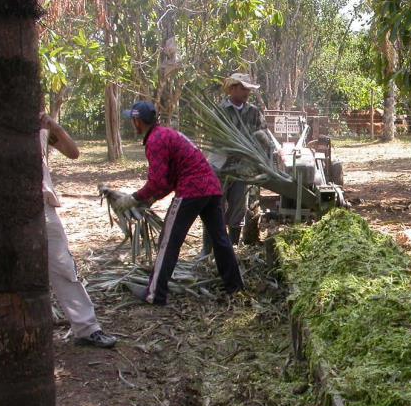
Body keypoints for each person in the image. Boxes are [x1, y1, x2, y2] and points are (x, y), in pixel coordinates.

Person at [117, 101, 244, 305]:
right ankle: (235, 287)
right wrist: (151, 198)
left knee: (169, 241)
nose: (133, 124)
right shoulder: (166, 134)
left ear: (138, 121)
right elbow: (168, 180)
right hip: (211, 187)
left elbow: (157, 181)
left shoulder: (155, 141)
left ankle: (155, 293)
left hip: (192, 190)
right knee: (220, 239)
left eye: (133, 120)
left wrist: (135, 197)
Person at [40, 112, 118, 348]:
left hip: (42, 205)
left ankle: (86, 328)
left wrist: (54, 127)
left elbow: (73, 153)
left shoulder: (38, 127)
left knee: (63, 266)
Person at [203, 73, 271, 253]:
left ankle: (232, 249)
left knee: (238, 208)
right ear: (232, 88)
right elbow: (214, 138)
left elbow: (263, 135)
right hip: (220, 166)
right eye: (243, 88)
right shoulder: (219, 111)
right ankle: (207, 250)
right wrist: (236, 145)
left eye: (248, 89)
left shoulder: (254, 112)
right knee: (214, 207)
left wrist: (265, 153)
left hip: (242, 169)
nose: (247, 92)